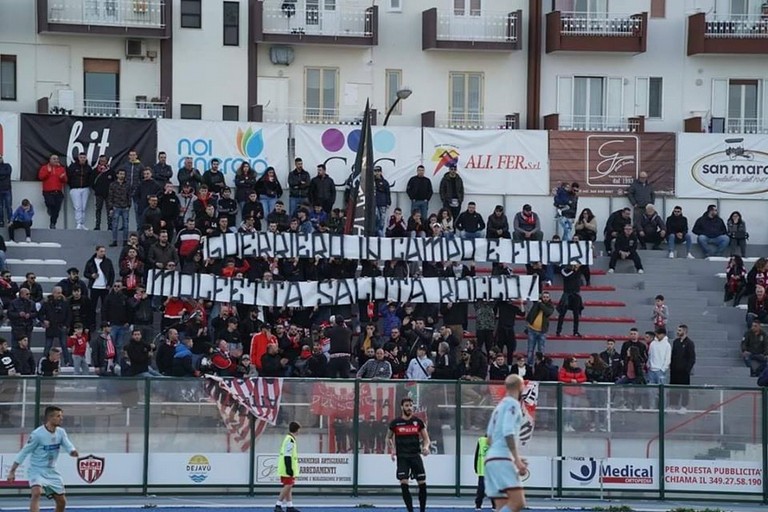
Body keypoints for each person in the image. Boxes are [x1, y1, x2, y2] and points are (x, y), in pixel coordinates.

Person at [6, 405, 79, 512]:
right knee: (36, 492)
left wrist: (72, 451)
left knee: (61, 502)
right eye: (58, 416)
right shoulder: (37, 434)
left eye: (61, 416)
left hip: (51, 471)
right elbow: (24, 452)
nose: (61, 418)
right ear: (50, 417)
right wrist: (12, 471)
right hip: (36, 470)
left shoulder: (61, 432)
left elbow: (67, 444)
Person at [484, 374, 528, 512]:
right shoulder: (513, 405)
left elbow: (489, 438)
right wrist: (516, 459)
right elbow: (508, 431)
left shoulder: (499, 407)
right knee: (518, 503)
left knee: (502, 506)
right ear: (520, 387)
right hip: (502, 457)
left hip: (491, 458)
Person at [386, 397, 430, 512]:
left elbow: (426, 439)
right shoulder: (395, 423)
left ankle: (422, 510)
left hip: (415, 456)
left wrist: (425, 447)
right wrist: (393, 449)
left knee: (422, 484)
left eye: (411, 405)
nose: (409, 408)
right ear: (402, 407)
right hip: (402, 457)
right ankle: (410, 510)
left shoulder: (418, 422)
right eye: (406, 405)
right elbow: (388, 437)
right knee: (404, 483)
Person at [275, 421, 301, 512]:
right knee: (288, 486)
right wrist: (289, 468)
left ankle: (289, 506)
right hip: (287, 467)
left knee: (288, 486)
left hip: (285, 467)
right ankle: (278, 505)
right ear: (296, 430)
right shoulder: (290, 440)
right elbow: (287, 455)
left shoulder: (289, 438)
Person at [37, 155, 67, 229]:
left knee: (56, 210)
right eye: (54, 159)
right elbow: (41, 177)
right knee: (51, 204)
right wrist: (48, 171)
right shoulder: (44, 168)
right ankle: (49, 208)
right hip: (48, 191)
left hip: (58, 191)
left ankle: (53, 223)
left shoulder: (61, 169)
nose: (56, 160)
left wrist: (63, 177)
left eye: (57, 159)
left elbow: (65, 180)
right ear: (50, 160)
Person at [66, 151, 94, 230]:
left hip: (85, 189)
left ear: (86, 158)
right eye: (81, 157)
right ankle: (78, 223)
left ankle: (82, 223)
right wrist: (72, 185)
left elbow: (91, 178)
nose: (82, 159)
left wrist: (88, 185)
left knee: (83, 207)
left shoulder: (88, 168)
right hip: (75, 189)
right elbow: (68, 177)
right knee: (77, 207)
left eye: (84, 158)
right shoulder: (72, 166)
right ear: (78, 158)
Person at [473, 434, 494, 511]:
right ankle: (478, 505)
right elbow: (476, 455)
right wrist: (475, 467)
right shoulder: (481, 441)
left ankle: (494, 505)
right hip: (483, 471)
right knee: (481, 490)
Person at [0, 153, 13, 228]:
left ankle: (10, 221)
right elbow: (5, 174)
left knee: (8, 206)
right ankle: (1, 221)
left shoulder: (7, 165)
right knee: (0, 207)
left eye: (0, 157)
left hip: (7, 189)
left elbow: (8, 172)